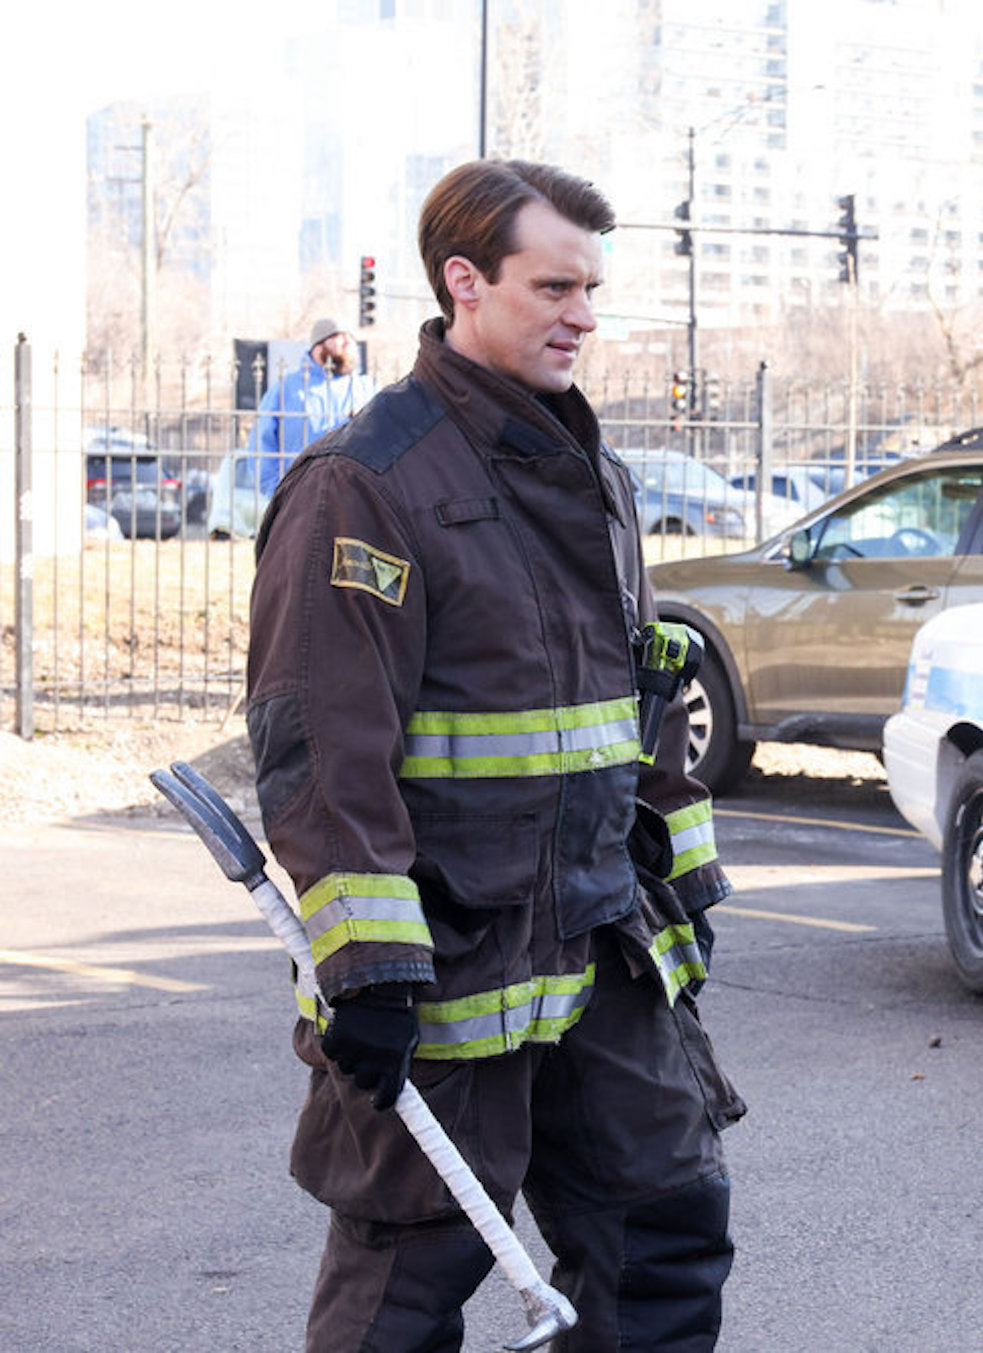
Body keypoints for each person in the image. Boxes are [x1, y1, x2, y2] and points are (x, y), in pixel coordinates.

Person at [245, 159, 743, 1351]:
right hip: (447, 971)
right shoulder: (365, 485)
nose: (584, 315)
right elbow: (322, 752)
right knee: (407, 1285)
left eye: (592, 289)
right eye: (555, 285)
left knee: (666, 1230)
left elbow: (630, 703)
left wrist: (683, 884)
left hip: (602, 947)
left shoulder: (597, 477)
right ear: (464, 281)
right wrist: (366, 972)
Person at [248, 317, 377, 495]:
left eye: (351, 339)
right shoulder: (287, 389)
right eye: (341, 338)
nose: (349, 344)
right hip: (301, 497)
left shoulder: (366, 389)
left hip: (355, 498)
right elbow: (262, 445)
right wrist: (278, 494)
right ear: (319, 345)